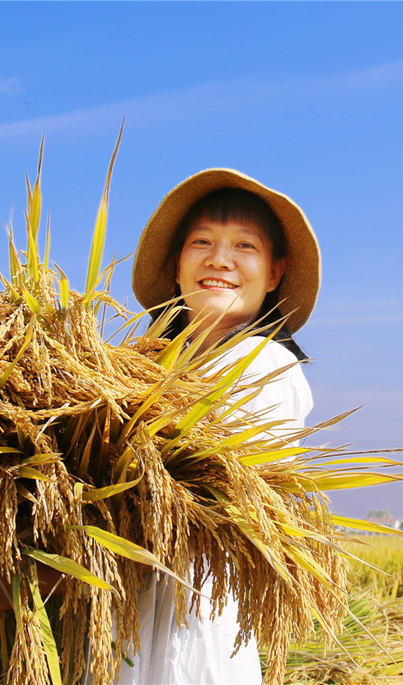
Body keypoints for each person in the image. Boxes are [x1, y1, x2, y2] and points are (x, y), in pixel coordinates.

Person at [124, 168, 322, 684]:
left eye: (244, 245)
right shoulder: (141, 372)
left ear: (276, 272)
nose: (219, 259)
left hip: (195, 637)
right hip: (121, 629)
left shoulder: (263, 365)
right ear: (176, 266)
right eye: (202, 242)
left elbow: (188, 505)